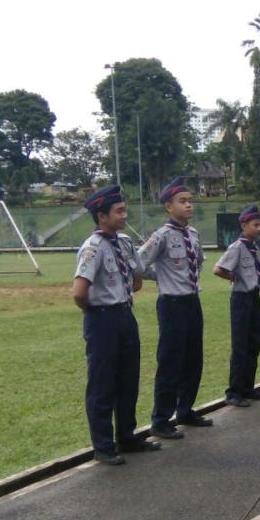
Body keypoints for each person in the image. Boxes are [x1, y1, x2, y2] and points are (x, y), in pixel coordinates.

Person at [72, 185, 160, 465]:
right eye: (118, 211)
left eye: (124, 210)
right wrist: (97, 311)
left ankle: (127, 436)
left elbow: (136, 276)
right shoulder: (93, 248)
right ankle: (103, 445)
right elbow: (78, 292)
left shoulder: (123, 243)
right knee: (102, 384)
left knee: (128, 379)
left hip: (125, 314)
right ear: (101, 216)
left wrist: (126, 294)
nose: (124, 216)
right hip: (102, 318)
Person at [138, 177, 209, 439]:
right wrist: (160, 276)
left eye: (190, 200)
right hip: (172, 304)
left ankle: (185, 409)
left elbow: (198, 262)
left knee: (193, 359)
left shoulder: (193, 234)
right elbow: (138, 262)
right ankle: (161, 419)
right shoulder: (162, 236)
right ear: (169, 206)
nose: (189, 205)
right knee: (170, 361)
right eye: (183, 201)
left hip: (192, 301)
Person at [213, 204, 260, 407]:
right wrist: (234, 277)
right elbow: (217, 269)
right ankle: (234, 391)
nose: (259, 229)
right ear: (244, 225)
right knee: (241, 346)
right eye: (255, 225)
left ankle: (248, 386)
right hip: (241, 299)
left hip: (254, 297)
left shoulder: (253, 248)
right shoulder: (237, 247)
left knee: (254, 343)